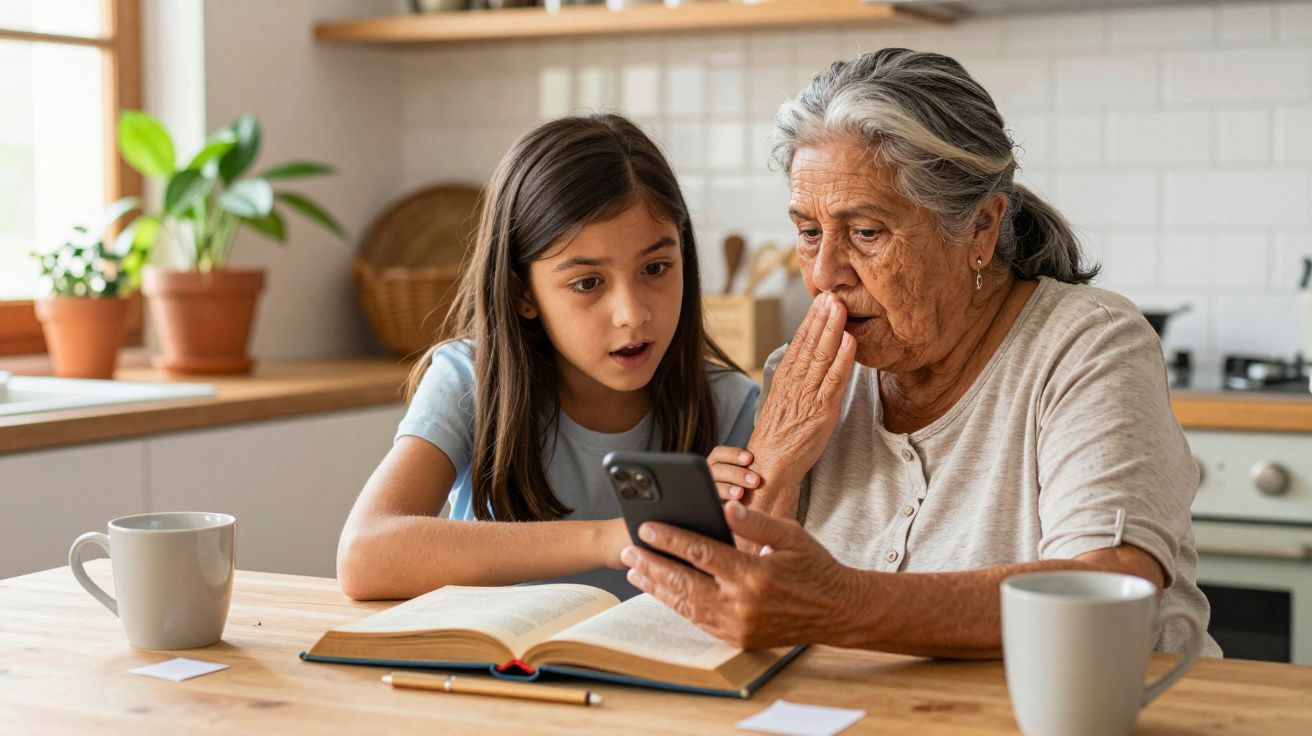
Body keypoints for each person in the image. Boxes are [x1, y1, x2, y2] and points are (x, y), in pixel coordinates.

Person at [620, 49, 1221, 658]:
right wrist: (774, 464)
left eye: (866, 233)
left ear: (980, 229)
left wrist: (842, 605)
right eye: (808, 232)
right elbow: (743, 613)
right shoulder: (803, 378)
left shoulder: (1087, 345)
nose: (825, 274)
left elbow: (1106, 592)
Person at [337, 114, 758, 601]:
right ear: (523, 293)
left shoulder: (733, 407)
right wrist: (610, 537)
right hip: (497, 675)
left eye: (656, 267)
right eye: (586, 283)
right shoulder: (467, 380)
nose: (632, 313)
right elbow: (365, 556)